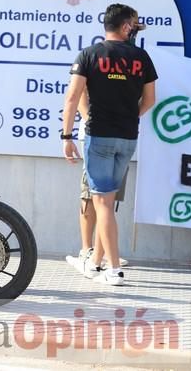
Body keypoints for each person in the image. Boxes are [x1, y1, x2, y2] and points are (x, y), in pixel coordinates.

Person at [61, 3, 157, 286]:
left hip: (99, 136)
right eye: (135, 24)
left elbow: (72, 97)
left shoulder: (89, 55)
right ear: (126, 26)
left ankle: (114, 270)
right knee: (108, 202)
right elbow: (150, 100)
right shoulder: (142, 57)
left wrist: (66, 137)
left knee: (101, 202)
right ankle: (94, 263)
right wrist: (130, 117)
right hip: (128, 137)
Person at [68, 90, 129, 269]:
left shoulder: (132, 64)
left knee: (109, 198)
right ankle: (87, 250)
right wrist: (93, 123)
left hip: (122, 136)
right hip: (94, 135)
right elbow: (78, 94)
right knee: (90, 193)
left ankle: (101, 254)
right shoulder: (93, 62)